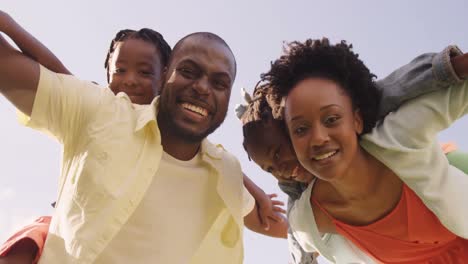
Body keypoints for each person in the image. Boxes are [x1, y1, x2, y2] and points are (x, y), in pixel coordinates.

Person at [0, 14, 290, 262]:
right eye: (188, 71)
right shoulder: (99, 112)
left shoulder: (223, 168)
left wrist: (317, 232)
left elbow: (272, 223)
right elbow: (44, 75)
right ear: (166, 77)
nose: (202, 88)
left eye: (219, 83)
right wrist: (9, 24)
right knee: (27, 242)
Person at [260, 38, 468, 263]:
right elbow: (292, 237)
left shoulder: (399, 136)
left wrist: (451, 67)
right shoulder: (307, 218)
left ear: (356, 120)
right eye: (301, 129)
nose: (318, 138)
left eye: (331, 119)